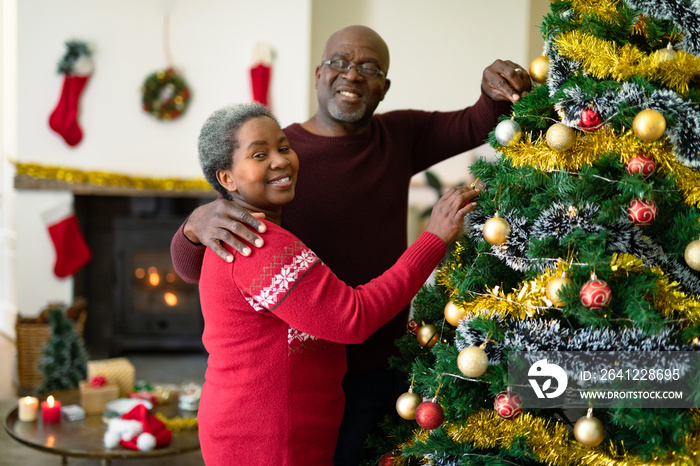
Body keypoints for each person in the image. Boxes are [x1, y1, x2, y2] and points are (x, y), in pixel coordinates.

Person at [171, 25, 531, 465]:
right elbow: (202, 266)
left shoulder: (397, 136)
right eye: (340, 63)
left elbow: (476, 120)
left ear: (384, 87)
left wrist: (494, 88)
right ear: (319, 74)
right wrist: (192, 225)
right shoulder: (266, 169)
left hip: (376, 366)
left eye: (369, 68)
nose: (353, 75)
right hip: (299, 374)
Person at [195, 102, 479, 465]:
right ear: (227, 179)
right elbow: (351, 318)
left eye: (283, 147)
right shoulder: (259, 242)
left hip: (273, 431)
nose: (280, 161)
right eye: (259, 154)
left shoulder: (252, 232)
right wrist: (433, 239)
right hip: (268, 440)